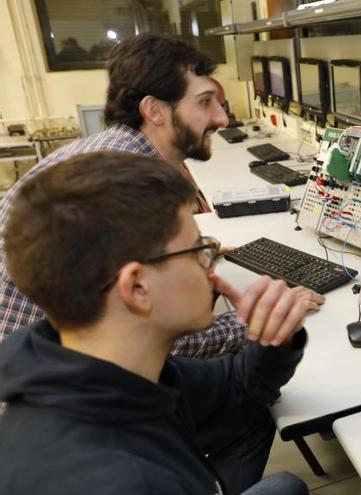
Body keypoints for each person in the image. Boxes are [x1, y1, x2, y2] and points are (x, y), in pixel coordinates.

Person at [0, 152, 311, 494]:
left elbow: (239, 386)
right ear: (136, 288)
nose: (211, 272)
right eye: (197, 251)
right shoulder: (124, 480)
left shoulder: (98, 368)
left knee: (287, 486)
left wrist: (277, 336)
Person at [0, 34, 324, 357]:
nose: (222, 118)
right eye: (204, 102)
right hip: (46, 382)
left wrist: (183, 251)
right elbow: (155, 338)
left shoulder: (114, 153)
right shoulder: (128, 188)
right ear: (154, 110)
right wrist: (255, 320)